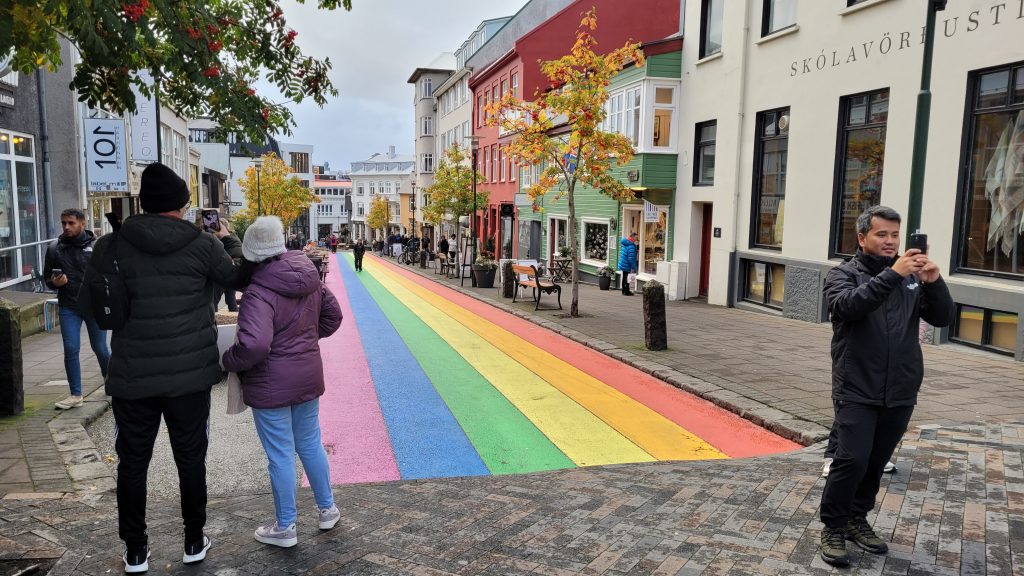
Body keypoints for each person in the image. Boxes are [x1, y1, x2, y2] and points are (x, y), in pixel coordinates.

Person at [80, 162, 243, 573]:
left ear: (144, 203)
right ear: (182, 205)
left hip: (132, 375)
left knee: (132, 462)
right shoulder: (204, 245)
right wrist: (229, 238)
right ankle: (192, 540)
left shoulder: (110, 246)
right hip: (190, 376)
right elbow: (238, 278)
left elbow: (90, 306)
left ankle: (135, 550)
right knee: (190, 458)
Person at [818, 206, 953, 567]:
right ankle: (832, 526)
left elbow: (942, 318)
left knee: (876, 462)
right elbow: (848, 306)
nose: (891, 241)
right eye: (882, 234)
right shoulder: (842, 275)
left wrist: (935, 281)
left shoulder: (911, 279)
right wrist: (894, 275)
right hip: (856, 386)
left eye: (895, 235)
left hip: (901, 387)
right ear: (862, 238)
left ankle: (855, 519)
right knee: (851, 458)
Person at [221, 216, 343, 548]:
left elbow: (255, 345)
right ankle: (327, 509)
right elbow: (333, 317)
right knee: (310, 443)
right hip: (306, 373)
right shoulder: (308, 276)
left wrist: (227, 360)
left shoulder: (259, 290)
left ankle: (286, 527)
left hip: (270, 382)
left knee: (280, 454)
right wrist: (303, 340)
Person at [44, 208, 111, 409]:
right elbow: (47, 278)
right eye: (64, 223)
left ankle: (112, 383)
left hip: (93, 306)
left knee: (100, 348)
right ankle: (75, 394)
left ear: (83, 223)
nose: (66, 227)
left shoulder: (97, 246)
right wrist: (55, 283)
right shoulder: (55, 248)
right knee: (71, 348)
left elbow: (110, 275)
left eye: (71, 223)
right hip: (69, 305)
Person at [617, 232, 639, 296]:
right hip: (627, 264)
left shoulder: (625, 243)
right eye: (636, 237)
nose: (636, 239)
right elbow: (631, 258)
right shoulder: (631, 246)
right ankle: (626, 291)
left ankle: (623, 291)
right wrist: (633, 266)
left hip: (623, 263)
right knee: (627, 278)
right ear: (632, 237)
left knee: (624, 277)